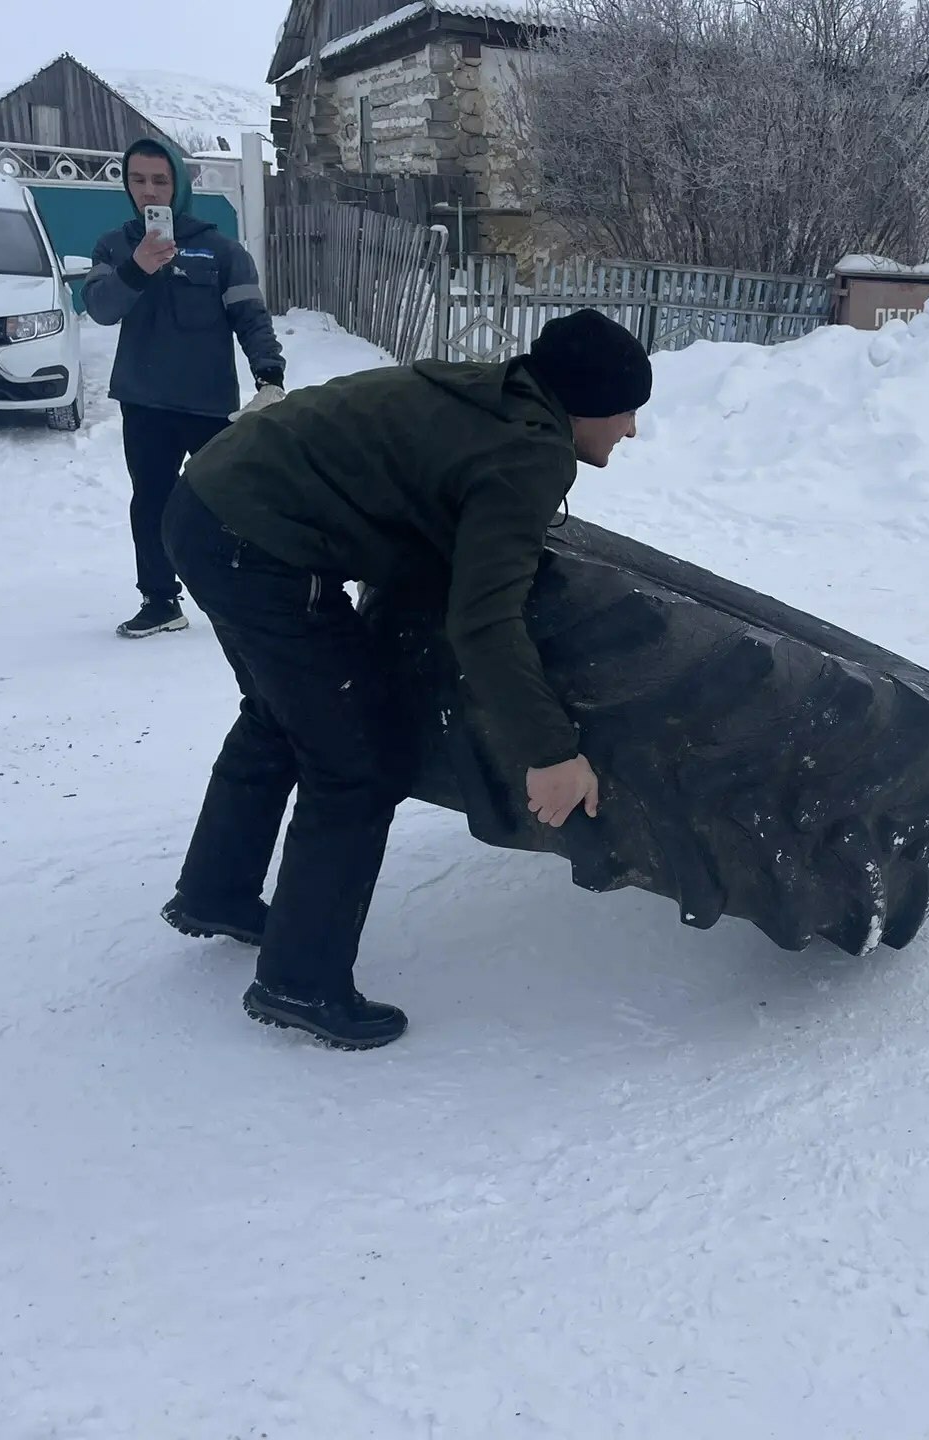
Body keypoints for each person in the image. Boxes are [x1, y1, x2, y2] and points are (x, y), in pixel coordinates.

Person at [157, 308, 652, 1050]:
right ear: (586, 403)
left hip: (208, 504)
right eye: (627, 411)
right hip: (255, 544)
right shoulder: (528, 453)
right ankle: (300, 982)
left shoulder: (493, 394)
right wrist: (550, 752)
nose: (632, 431)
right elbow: (484, 622)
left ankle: (216, 893)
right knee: (356, 761)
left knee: (278, 714)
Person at [84, 137, 287, 639]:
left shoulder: (221, 251)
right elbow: (101, 308)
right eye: (138, 180)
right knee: (150, 502)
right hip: (144, 402)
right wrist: (138, 266)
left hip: (208, 404)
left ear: (178, 184)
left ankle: (248, 595)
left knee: (228, 502)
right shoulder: (114, 246)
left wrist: (269, 377)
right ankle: (160, 602)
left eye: (160, 180)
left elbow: (250, 316)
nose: (149, 192)